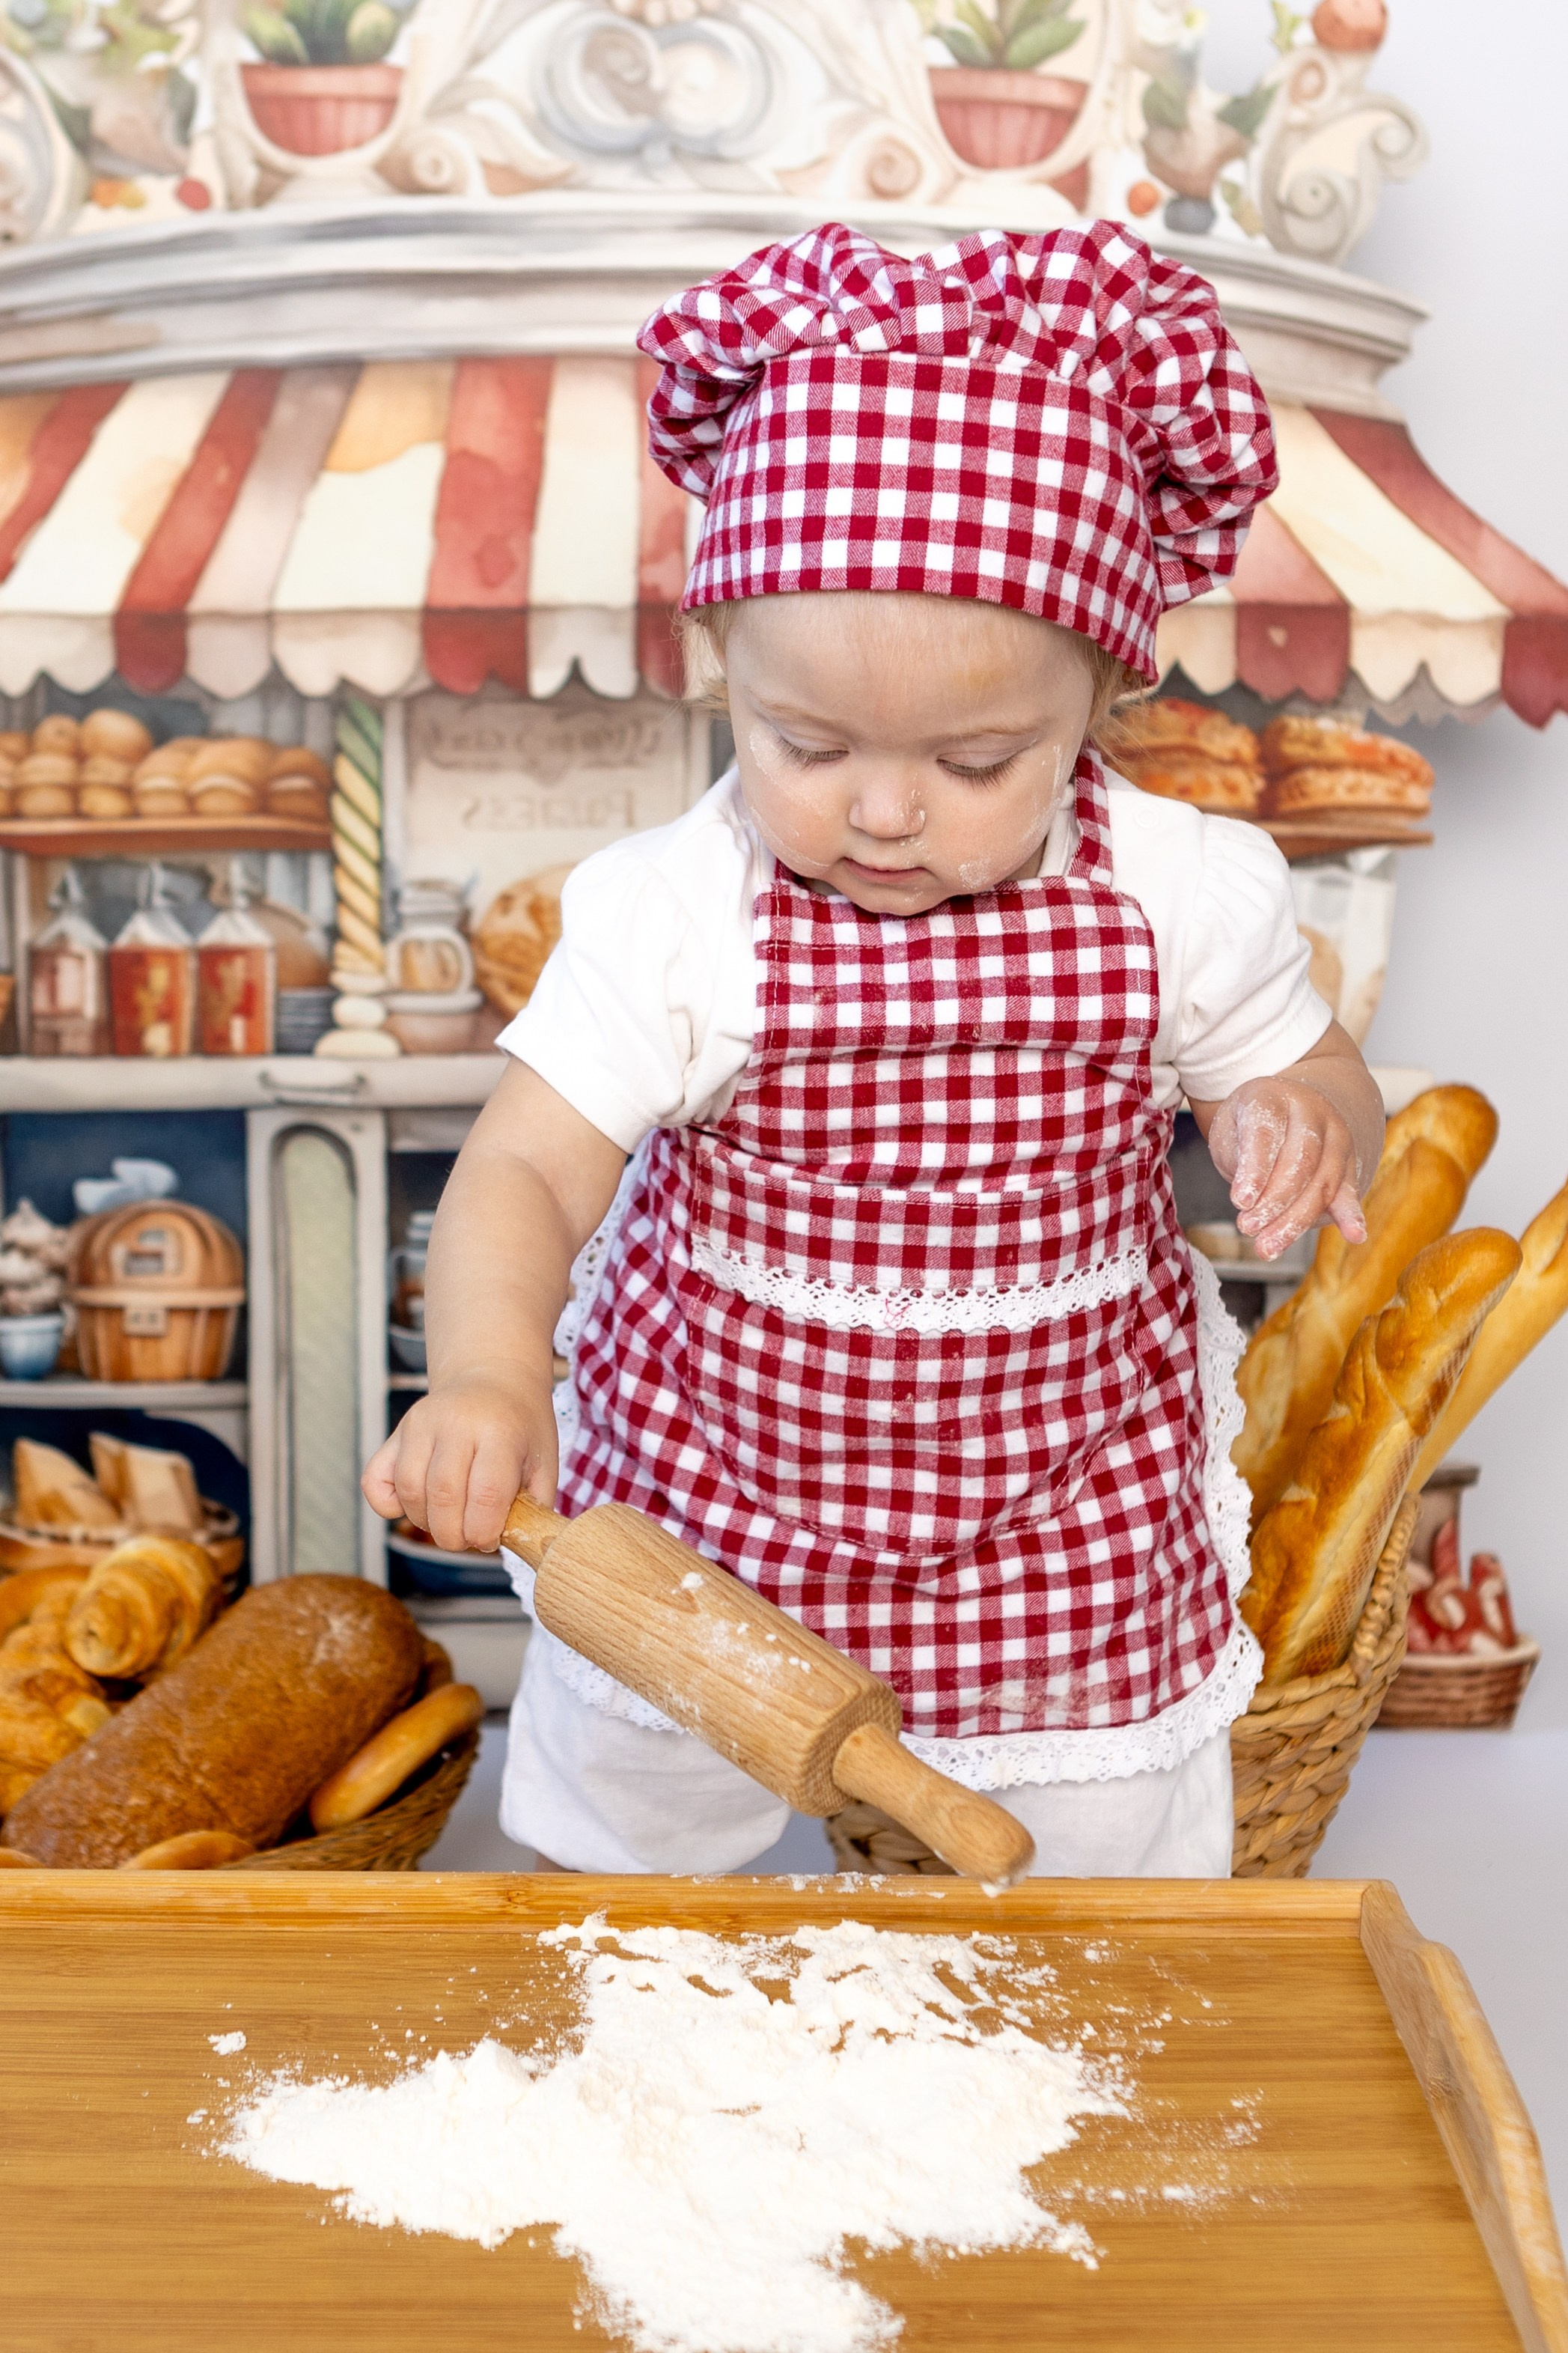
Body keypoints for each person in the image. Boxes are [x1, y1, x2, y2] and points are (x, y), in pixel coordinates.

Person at [364, 221, 1385, 1879]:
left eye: (980, 758)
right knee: (628, 1865)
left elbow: (1318, 1062)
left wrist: (1304, 1110)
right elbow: (527, 1172)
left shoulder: (1180, 891)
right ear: (721, 676)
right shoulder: (680, 911)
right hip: (715, 1489)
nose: (886, 809)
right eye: (807, 744)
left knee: (1088, 1895)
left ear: (1100, 702)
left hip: (1058, 1501)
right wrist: (486, 1373)